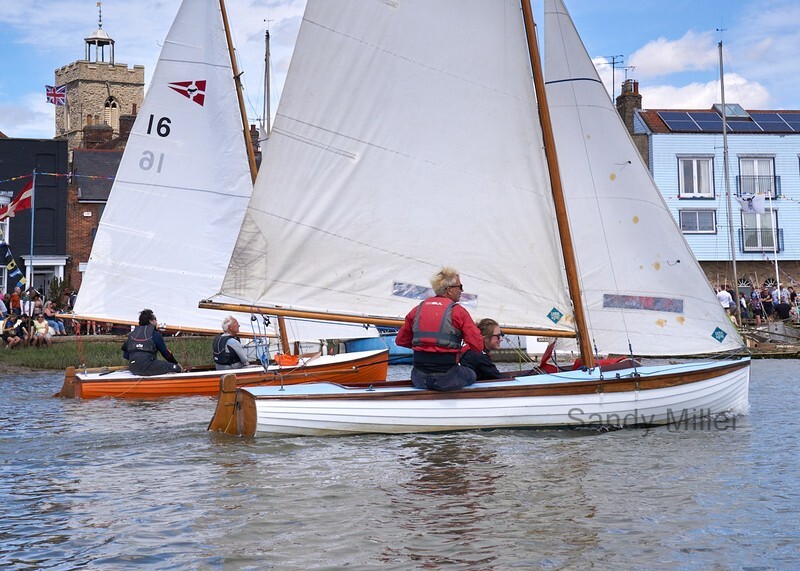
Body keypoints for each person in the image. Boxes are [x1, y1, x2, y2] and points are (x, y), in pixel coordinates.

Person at [396, 267, 483, 391]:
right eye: (460, 286)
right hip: (447, 379)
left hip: (418, 379)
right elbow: (478, 346)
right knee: (471, 374)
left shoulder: (417, 310)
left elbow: (401, 341)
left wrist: (426, 345)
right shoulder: (458, 312)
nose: (461, 290)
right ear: (449, 290)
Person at [121, 309, 182, 376]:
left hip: (133, 368)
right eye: (155, 319)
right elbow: (166, 353)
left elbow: (126, 355)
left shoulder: (132, 334)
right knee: (176, 368)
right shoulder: (154, 334)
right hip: (148, 366)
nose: (156, 322)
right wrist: (176, 364)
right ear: (151, 321)